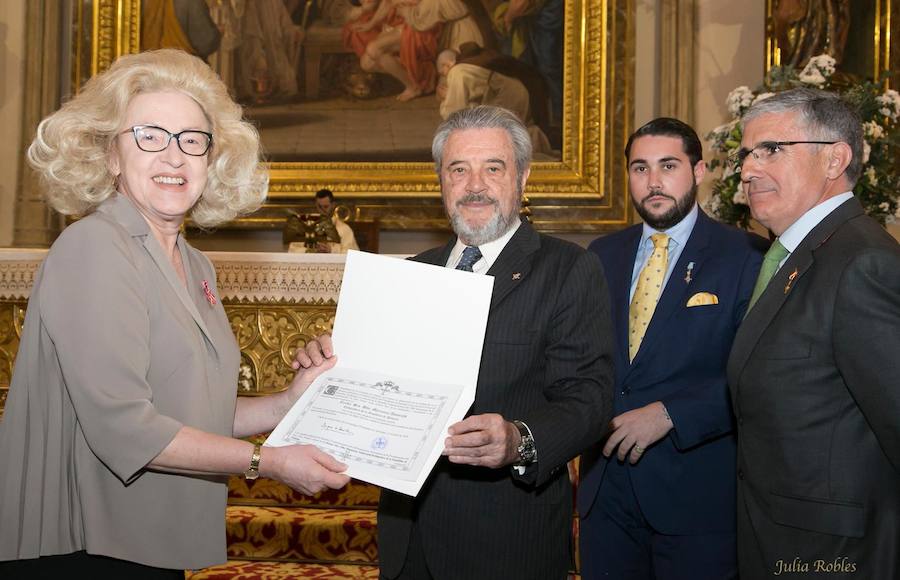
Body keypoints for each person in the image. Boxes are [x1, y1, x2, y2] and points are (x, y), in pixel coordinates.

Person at [0, 49, 350, 577]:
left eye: (192, 140)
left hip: (149, 538)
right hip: (82, 544)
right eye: (149, 136)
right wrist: (268, 463)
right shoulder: (94, 246)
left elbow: (194, 412)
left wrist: (285, 403)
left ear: (212, 161)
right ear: (111, 156)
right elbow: (126, 429)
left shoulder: (195, 265)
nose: (173, 156)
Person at [298, 105, 615, 579]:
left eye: (493, 167)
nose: (475, 185)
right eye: (459, 169)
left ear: (522, 177)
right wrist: (329, 366)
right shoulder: (409, 273)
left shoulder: (568, 269)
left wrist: (519, 439)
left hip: (505, 538)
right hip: (408, 535)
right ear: (440, 181)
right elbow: (377, 385)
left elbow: (590, 398)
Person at [576, 117, 767, 579]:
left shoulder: (746, 257)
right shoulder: (600, 255)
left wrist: (670, 414)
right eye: (640, 168)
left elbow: (759, 375)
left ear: (699, 171)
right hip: (606, 495)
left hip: (697, 494)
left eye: (668, 165)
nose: (654, 181)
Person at [727, 88, 900, 578]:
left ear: (834, 159)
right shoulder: (799, 255)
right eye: (746, 154)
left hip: (839, 555)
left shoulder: (863, 263)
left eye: (772, 150)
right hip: (781, 540)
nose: (748, 169)